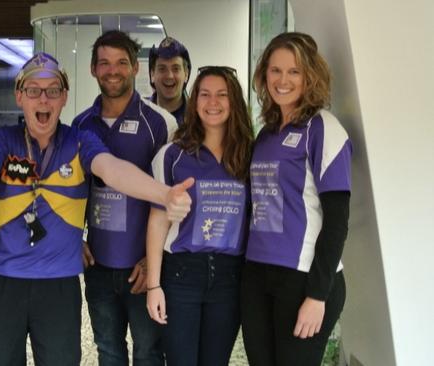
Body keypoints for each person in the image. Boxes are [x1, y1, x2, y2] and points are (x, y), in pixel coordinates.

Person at [0, 52, 193, 366]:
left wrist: (163, 193)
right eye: (33, 90)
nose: (43, 99)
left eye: (53, 90)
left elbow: (112, 170)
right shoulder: (5, 140)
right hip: (4, 282)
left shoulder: (80, 141)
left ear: (64, 97)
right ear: (20, 96)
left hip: (59, 285)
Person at [240, 32, 352, 366]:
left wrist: (318, 295)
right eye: (275, 70)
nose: (283, 80)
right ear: (264, 75)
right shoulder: (267, 132)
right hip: (258, 274)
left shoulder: (323, 127)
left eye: (294, 71)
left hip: (303, 276)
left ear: (310, 76)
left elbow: (337, 221)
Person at [72, 30, 177, 366]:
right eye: (104, 63)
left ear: (135, 68)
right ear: (93, 69)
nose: (112, 70)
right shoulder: (79, 125)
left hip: (143, 267)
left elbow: (172, 199)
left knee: (148, 352)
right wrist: (76, 236)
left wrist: (155, 260)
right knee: (109, 352)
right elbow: (73, 190)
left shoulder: (161, 123)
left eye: (121, 62)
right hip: (99, 267)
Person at [145, 66, 254, 365]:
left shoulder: (249, 155)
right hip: (182, 275)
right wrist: (154, 286)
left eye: (222, 94)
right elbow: (157, 221)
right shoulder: (172, 155)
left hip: (230, 277)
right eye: (204, 94)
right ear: (195, 102)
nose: (213, 102)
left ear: (234, 102)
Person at [148, 36, 192, 125]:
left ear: (186, 74)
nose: (169, 76)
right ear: (152, 74)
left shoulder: (198, 116)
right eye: (162, 69)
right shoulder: (138, 114)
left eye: (176, 69)